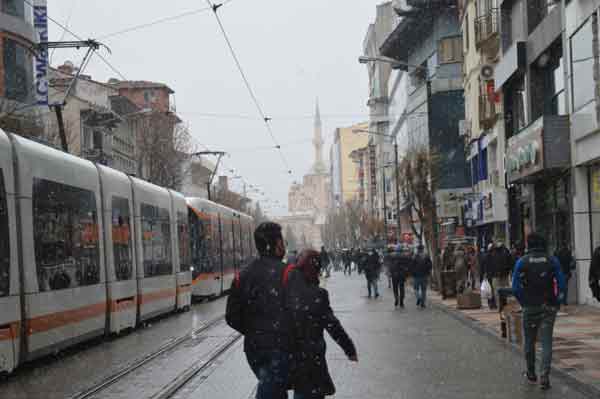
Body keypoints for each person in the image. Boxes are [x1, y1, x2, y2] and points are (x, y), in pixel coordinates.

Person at [225, 222, 291, 399]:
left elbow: (231, 316)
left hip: (254, 349)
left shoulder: (243, 275)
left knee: (272, 387)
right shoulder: (288, 273)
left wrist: (254, 330)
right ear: (276, 244)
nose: (283, 245)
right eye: (281, 240)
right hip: (280, 347)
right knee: (271, 388)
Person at [286, 249, 358, 399]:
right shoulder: (318, 294)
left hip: (291, 358)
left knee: (300, 391)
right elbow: (333, 326)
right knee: (310, 392)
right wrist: (349, 349)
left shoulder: (285, 289)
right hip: (312, 359)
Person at [512, 233, 565, 390]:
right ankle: (545, 376)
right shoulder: (551, 260)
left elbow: (516, 288)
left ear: (529, 244)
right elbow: (561, 284)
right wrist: (557, 301)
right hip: (548, 306)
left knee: (529, 341)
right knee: (547, 341)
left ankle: (531, 372)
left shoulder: (522, 261)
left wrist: (524, 302)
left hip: (530, 306)